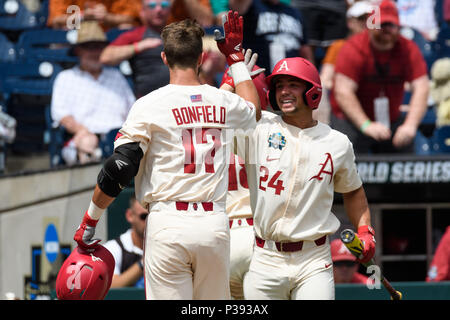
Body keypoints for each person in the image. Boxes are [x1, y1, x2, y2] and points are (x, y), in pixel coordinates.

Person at [72, 12, 261, 300]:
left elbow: (120, 167)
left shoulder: (149, 105)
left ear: (164, 58)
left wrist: (90, 221)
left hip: (169, 222)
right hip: (214, 225)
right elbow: (253, 110)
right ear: (200, 58)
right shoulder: (223, 101)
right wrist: (235, 59)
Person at [234, 57, 375, 300]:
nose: (284, 92)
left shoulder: (338, 143)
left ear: (312, 92)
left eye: (293, 85)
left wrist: (364, 229)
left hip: (313, 258)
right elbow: (225, 114)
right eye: (279, 86)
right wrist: (236, 68)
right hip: (265, 256)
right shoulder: (259, 128)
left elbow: (353, 191)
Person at [330, 0, 430, 154]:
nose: (386, 30)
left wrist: (410, 125)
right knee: (345, 156)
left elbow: (421, 86)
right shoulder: (353, 48)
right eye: (381, 25)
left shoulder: (408, 48)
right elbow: (343, 92)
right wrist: (366, 125)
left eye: (391, 25)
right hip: (351, 119)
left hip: (389, 119)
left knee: (405, 146)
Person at [50, 21, 135, 165]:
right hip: (84, 138)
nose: (95, 52)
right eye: (89, 47)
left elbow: (132, 111)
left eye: (98, 47)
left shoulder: (116, 76)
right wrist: (82, 132)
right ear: (78, 51)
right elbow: (61, 115)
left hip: (119, 139)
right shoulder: (66, 77)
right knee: (87, 144)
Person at [99, 0, 172, 99]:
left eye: (164, 5)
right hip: (149, 100)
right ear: (142, 12)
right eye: (152, 5)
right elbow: (105, 57)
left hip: (179, 99)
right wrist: (138, 47)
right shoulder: (136, 35)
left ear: (169, 10)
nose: (159, 10)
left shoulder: (179, 34)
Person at [228, 0, 314, 75]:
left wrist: (311, 73)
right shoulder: (251, 6)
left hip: (288, 78)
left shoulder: (295, 12)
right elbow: (237, 7)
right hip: (256, 75)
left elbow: (305, 51)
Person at [103, 194, 148, 288]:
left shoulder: (167, 247)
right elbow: (111, 286)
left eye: (151, 216)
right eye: (144, 216)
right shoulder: (113, 248)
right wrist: (144, 262)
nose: (148, 221)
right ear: (130, 216)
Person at [47, 0, 142, 30]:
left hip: (109, 42)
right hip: (76, 40)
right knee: (64, 27)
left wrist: (106, 17)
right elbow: (55, 20)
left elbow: (132, 17)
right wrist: (83, 16)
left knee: (126, 26)